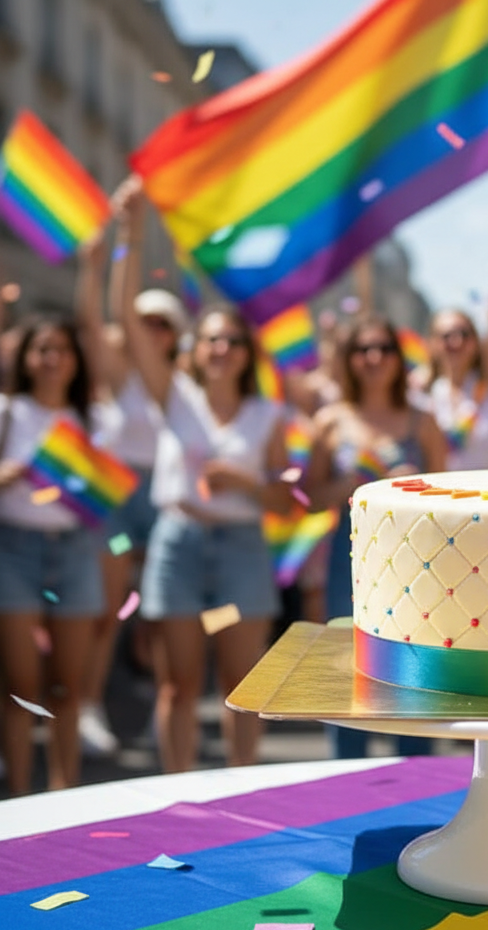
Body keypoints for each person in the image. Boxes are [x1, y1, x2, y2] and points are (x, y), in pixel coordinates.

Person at [116, 178, 292, 773]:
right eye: (212, 339)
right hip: (180, 545)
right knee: (178, 685)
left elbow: (288, 499)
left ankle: (241, 790)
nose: (221, 348)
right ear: (198, 347)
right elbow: (127, 319)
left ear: (246, 353)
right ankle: (178, 794)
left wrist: (242, 483)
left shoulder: (269, 414)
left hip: (241, 548)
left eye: (233, 341)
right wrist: (131, 238)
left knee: (242, 688)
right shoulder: (176, 395)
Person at [306, 313, 446, 758]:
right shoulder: (330, 421)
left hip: (416, 562)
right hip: (350, 559)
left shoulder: (422, 422)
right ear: (348, 360)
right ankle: (345, 772)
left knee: (414, 671)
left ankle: (416, 774)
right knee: (350, 668)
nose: (373, 359)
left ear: (398, 359)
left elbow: (452, 498)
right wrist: (350, 486)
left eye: (383, 349)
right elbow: (307, 497)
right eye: (363, 350)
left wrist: (415, 482)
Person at [83, 230, 190, 757]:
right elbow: (97, 318)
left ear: (175, 333)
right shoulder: (120, 372)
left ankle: (156, 714)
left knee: (157, 616)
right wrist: (115, 250)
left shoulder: (182, 382)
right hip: (117, 499)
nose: (149, 330)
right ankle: (87, 707)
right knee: (109, 610)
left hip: (165, 501)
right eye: (143, 320)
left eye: (161, 323)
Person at [0, 313, 104, 793]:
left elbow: (105, 498)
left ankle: (65, 796)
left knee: (68, 686)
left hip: (76, 552)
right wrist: (15, 471)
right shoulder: (7, 412)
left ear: (75, 360)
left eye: (61, 348)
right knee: (21, 687)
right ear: (25, 358)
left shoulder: (92, 418)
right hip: (15, 548)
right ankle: (20, 796)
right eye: (42, 349)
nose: (52, 358)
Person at [418, 308, 488, 470]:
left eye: (464, 334)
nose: (456, 342)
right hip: (444, 493)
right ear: (432, 343)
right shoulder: (424, 395)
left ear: (476, 342)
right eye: (446, 336)